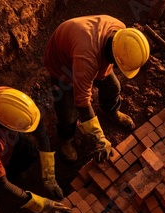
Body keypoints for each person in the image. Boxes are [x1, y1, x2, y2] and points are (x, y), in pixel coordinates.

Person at [45, 15, 150, 162]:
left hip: (86, 49)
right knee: (67, 111)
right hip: (63, 65)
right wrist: (99, 137)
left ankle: (110, 111)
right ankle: (66, 139)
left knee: (113, 87)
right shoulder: (86, 59)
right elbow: (82, 101)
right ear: (114, 56)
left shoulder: (121, 32)